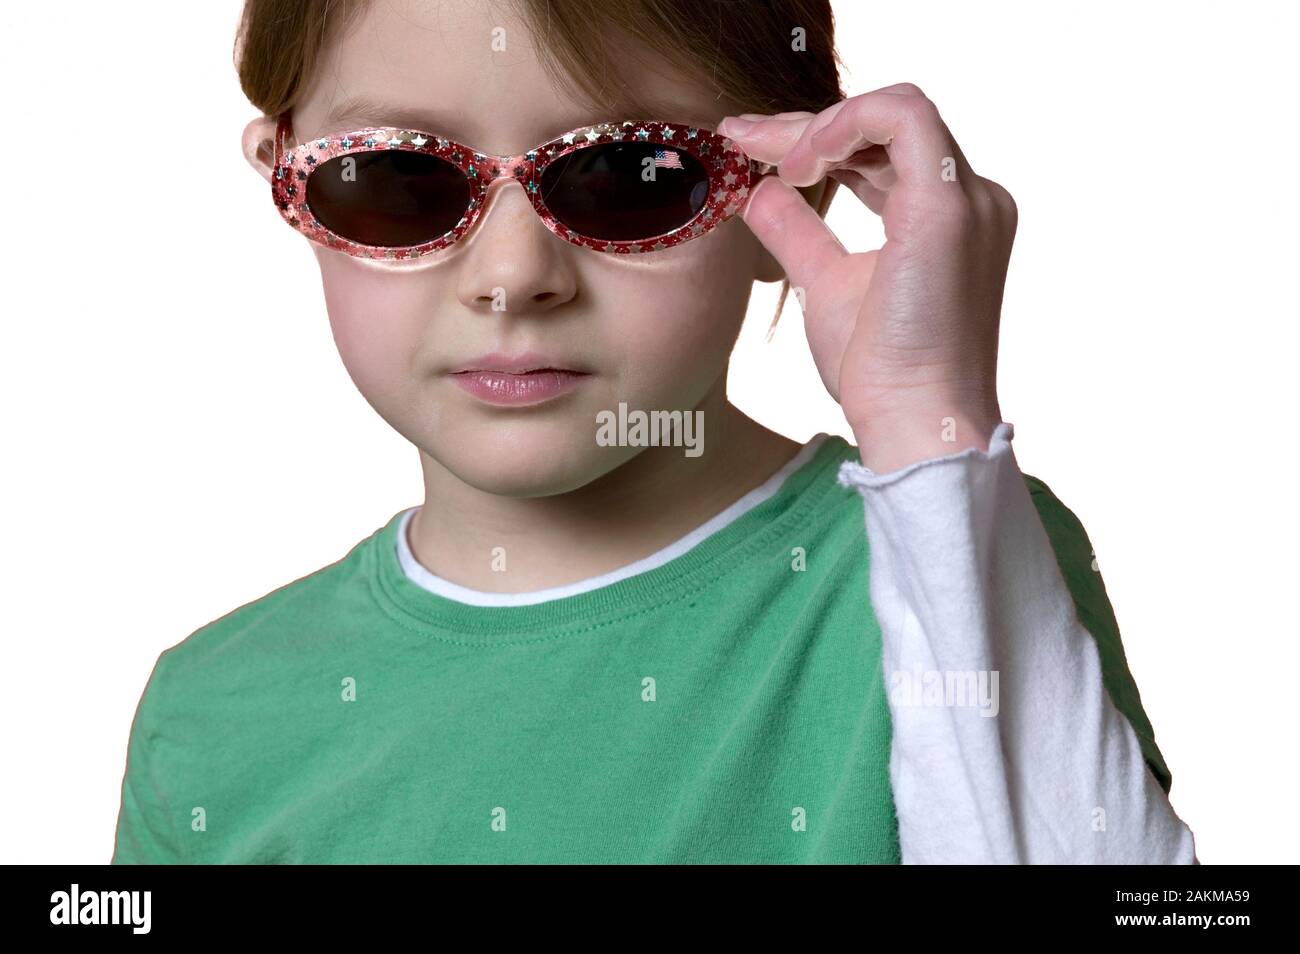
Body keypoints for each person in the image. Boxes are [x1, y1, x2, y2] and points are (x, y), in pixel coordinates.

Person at [111, 0, 1197, 863]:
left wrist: (925, 421)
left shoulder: (942, 549)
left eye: (628, 175)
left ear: (788, 188)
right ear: (287, 181)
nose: (512, 277)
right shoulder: (212, 713)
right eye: (399, 177)